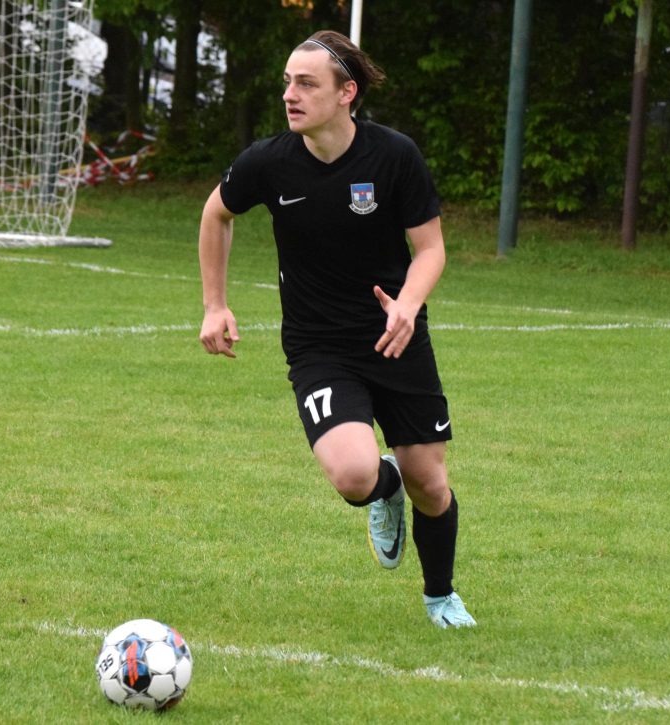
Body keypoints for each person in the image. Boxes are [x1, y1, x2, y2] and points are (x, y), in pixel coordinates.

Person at [197, 30, 476, 629]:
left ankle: (440, 597)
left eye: (306, 84)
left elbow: (431, 249)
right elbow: (216, 212)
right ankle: (383, 487)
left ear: (347, 93)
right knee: (353, 476)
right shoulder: (269, 161)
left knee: (431, 484)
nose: (289, 95)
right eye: (287, 83)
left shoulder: (394, 156)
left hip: (396, 338)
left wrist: (408, 304)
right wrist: (214, 304)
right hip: (319, 346)